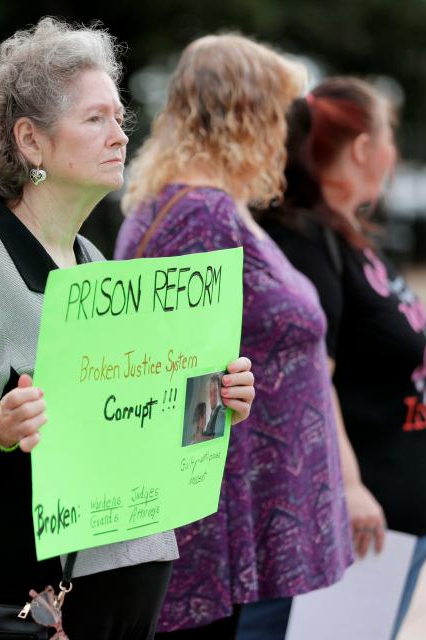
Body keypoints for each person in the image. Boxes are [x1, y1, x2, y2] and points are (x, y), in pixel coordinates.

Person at [0, 18, 256, 640]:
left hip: (124, 588)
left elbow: (124, 417)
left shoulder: (91, 260)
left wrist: (213, 401)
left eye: (120, 118)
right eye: (96, 119)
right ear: (31, 143)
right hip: (33, 608)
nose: (120, 135)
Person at [115, 34, 352, 639]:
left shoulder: (207, 206)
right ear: (248, 114)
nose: (284, 131)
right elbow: (170, 372)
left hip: (238, 509)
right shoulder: (200, 216)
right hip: (217, 526)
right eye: (278, 112)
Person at [254, 78, 426, 639]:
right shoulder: (304, 241)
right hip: (362, 532)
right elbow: (312, 377)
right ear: (365, 149)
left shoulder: (346, 233)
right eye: (391, 136)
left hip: (398, 523)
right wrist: (347, 484)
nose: (395, 153)